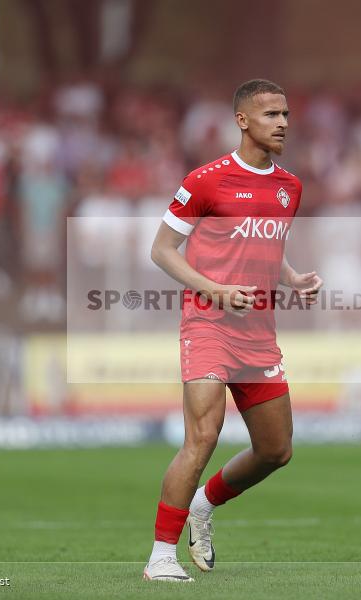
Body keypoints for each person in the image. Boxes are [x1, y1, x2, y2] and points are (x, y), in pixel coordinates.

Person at [143, 79, 323, 582]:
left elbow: (264, 243)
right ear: (242, 121)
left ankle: (205, 502)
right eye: (271, 115)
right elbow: (161, 250)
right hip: (207, 324)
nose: (283, 122)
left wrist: (292, 278)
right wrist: (215, 291)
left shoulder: (290, 187)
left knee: (276, 450)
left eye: (286, 114)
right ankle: (160, 556)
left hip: (259, 334)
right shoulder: (207, 180)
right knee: (203, 435)